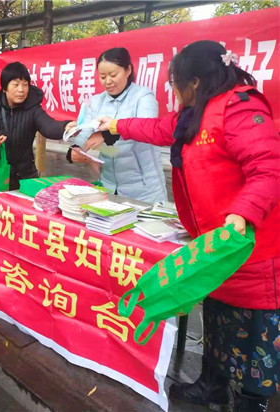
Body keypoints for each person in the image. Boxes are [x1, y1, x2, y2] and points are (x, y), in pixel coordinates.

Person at [97, 40, 280, 412]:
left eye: (175, 82)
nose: (173, 89)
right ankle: (212, 387)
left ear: (194, 81)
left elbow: (269, 168)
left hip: (250, 246)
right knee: (217, 321)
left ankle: (253, 402)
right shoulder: (193, 112)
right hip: (213, 248)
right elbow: (158, 129)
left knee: (255, 337)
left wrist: (242, 213)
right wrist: (116, 124)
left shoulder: (240, 109)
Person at [0, 61, 76, 238]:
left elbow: (48, 127)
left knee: (17, 226)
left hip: (21, 178)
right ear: (5, 87)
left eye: (25, 84)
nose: (21, 90)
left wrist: (65, 127)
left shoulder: (33, 108)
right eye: (16, 84)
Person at [70, 47, 167, 204]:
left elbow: (145, 128)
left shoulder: (143, 97)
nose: (107, 81)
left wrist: (105, 134)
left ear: (128, 70)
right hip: (109, 186)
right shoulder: (97, 101)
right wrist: (76, 149)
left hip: (144, 190)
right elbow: (86, 132)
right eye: (102, 76)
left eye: (113, 75)